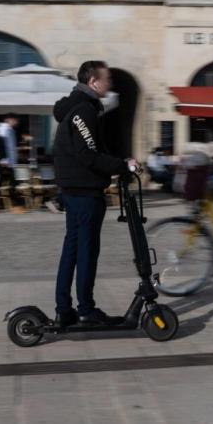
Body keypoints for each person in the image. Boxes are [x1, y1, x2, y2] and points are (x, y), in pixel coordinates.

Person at [51, 60, 137, 327]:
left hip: (74, 190)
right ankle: (85, 309)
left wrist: (118, 162)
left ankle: (64, 309)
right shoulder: (83, 110)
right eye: (107, 79)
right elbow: (87, 154)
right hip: (84, 193)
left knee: (72, 250)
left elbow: (93, 149)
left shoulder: (77, 108)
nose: (110, 83)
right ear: (93, 82)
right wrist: (122, 166)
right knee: (86, 251)